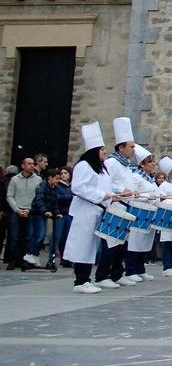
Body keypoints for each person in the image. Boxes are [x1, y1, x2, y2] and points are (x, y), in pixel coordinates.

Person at [64, 122, 117, 294]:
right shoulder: (84, 166)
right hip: (86, 210)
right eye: (102, 149)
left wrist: (115, 194)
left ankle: (86, 278)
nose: (105, 152)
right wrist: (101, 196)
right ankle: (80, 280)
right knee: (83, 245)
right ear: (94, 151)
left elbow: (106, 186)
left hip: (97, 209)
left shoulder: (101, 168)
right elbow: (78, 187)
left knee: (91, 246)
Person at [94, 117, 138, 289]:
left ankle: (117, 273)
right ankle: (102, 275)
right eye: (131, 146)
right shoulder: (112, 163)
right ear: (121, 147)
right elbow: (106, 182)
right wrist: (121, 190)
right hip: (115, 205)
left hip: (126, 205)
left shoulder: (126, 165)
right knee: (110, 242)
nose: (133, 150)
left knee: (122, 243)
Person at [123, 145, 160, 283]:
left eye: (153, 162)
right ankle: (130, 270)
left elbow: (155, 193)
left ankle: (140, 269)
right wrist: (146, 197)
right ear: (142, 165)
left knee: (144, 242)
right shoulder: (136, 177)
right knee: (135, 242)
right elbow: (132, 195)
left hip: (149, 213)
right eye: (150, 162)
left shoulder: (150, 178)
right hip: (138, 212)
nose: (153, 165)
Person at [5, 156, 41, 269]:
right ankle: (12, 260)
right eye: (29, 164)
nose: (31, 166)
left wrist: (29, 209)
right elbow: (10, 196)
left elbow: (38, 197)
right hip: (17, 210)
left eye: (33, 164)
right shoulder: (15, 179)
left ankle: (24, 260)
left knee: (28, 236)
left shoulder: (38, 180)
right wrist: (17, 209)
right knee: (14, 236)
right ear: (23, 166)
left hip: (30, 211)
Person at [29, 167, 64, 266]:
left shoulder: (54, 188)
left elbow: (54, 203)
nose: (58, 181)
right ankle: (30, 253)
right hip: (37, 213)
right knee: (39, 235)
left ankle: (34, 255)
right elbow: (39, 201)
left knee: (43, 236)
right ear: (50, 178)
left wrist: (57, 213)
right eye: (57, 178)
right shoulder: (42, 187)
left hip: (44, 214)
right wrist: (45, 211)